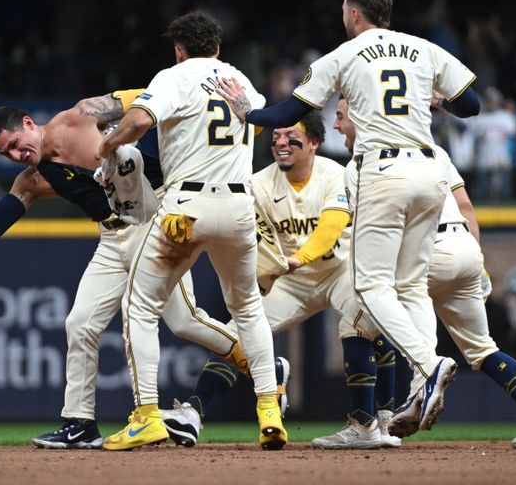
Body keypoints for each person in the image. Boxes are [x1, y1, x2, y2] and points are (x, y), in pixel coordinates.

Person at [216, 0, 480, 431]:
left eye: (344, 8)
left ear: (354, 13)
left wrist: (249, 114)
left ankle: (429, 364)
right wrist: (436, 100)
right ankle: (421, 388)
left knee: (373, 287)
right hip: (429, 169)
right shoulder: (423, 48)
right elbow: (471, 104)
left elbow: (290, 113)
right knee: (411, 287)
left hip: (383, 172)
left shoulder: (344, 54)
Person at [0, 90, 248, 449]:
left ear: (28, 124)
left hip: (151, 222)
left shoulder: (81, 115)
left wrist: (210, 96)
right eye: (5, 153)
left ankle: (261, 362)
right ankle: (79, 423)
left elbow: (156, 95)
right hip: (110, 238)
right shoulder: (32, 180)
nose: (15, 155)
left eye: (15, 143)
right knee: (80, 323)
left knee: (184, 321)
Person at [97, 10, 287, 450]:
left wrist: (107, 144)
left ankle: (146, 415)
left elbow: (140, 122)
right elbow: (258, 123)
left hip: (187, 207)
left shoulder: (174, 75)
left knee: (140, 305)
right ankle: (269, 410)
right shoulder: (239, 80)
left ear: (179, 50)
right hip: (240, 205)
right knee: (248, 309)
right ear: (218, 47)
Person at [336, 95, 516, 449]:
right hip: (464, 250)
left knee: (358, 318)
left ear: (362, 119)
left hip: (426, 251)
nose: (337, 124)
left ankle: (391, 409)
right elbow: (467, 207)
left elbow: (378, 231)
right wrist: (478, 261)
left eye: (341, 117)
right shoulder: (434, 150)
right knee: (482, 349)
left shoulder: (361, 164)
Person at [161, 111, 401, 450]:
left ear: (315, 143)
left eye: (291, 137)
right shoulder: (257, 184)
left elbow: (330, 227)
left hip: (340, 271)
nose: (281, 143)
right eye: (276, 138)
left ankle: (376, 419)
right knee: (238, 330)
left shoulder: (337, 174)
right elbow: (253, 243)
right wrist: (261, 277)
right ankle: (194, 412)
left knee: (365, 320)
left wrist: (297, 258)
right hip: (290, 281)